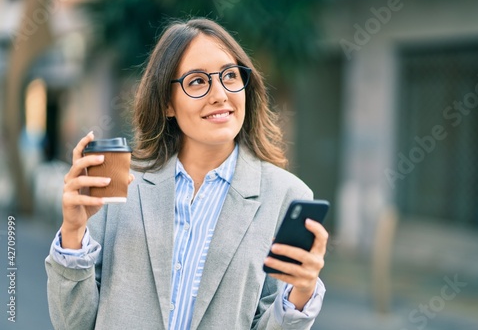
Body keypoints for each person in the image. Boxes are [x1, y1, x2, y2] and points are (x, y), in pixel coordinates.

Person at [45, 18, 328, 330]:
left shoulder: (287, 196)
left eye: (230, 76)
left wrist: (302, 293)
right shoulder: (121, 184)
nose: (220, 94)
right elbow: (72, 324)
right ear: (167, 103)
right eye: (197, 81)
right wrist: (73, 233)